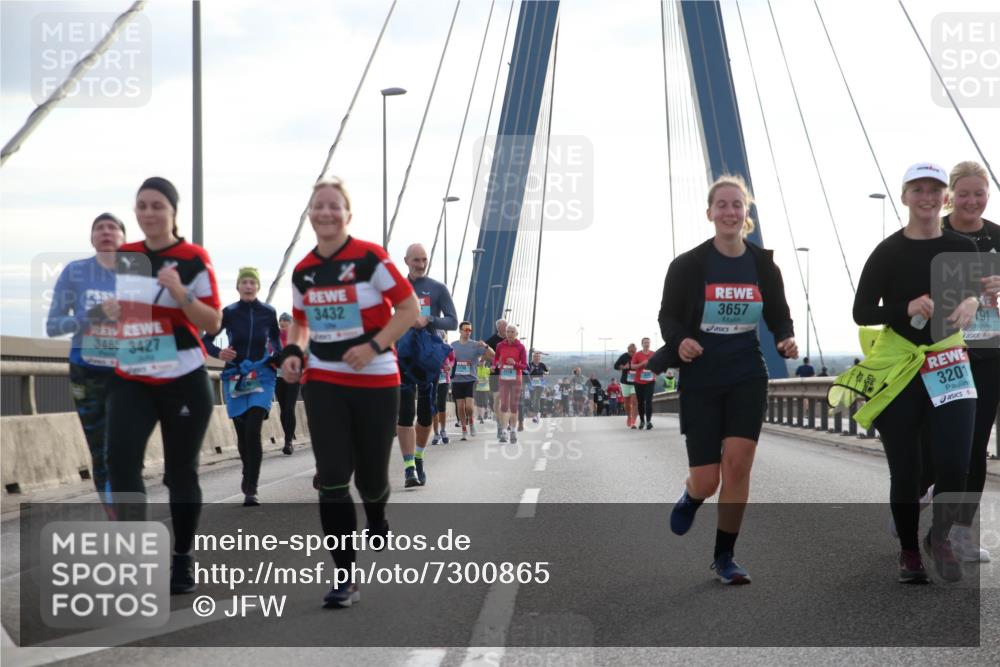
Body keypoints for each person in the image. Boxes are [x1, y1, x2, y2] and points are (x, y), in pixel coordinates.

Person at [834, 163, 979, 583]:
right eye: (918, 189)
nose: (927, 197)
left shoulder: (961, 248)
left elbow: (967, 297)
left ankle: (940, 536)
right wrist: (905, 308)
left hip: (949, 363)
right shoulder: (888, 252)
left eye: (934, 189)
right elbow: (862, 312)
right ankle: (910, 552)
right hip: (899, 368)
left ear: (944, 197)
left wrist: (972, 302)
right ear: (905, 197)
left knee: (956, 466)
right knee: (907, 470)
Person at [280, 177, 419, 608]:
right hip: (324, 381)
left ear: (348, 214)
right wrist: (293, 352)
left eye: (334, 206)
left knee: (372, 478)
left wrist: (374, 345)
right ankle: (345, 578)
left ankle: (376, 515)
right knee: (333, 478)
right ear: (309, 214)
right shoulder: (303, 270)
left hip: (377, 379)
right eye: (318, 206)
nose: (325, 213)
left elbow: (409, 309)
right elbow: (301, 322)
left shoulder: (370, 258)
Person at [661, 174, 798, 585]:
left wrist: (786, 337)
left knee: (738, 467)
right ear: (709, 213)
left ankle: (725, 557)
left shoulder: (762, 264)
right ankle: (692, 494)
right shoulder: (688, 265)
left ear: (746, 212)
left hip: (746, 373)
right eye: (721, 205)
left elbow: (779, 313)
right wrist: (682, 340)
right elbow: (668, 316)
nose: (730, 212)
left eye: (737, 205)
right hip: (702, 377)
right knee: (709, 478)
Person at [102, 177, 222, 595]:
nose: (149, 213)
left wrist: (181, 293)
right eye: (142, 206)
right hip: (132, 376)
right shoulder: (127, 257)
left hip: (182, 378)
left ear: (173, 212)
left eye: (157, 206)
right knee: (120, 465)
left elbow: (213, 322)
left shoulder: (192, 258)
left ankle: (183, 556)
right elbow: (115, 319)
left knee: (179, 473)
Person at [46, 212, 126, 508]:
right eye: (99, 228)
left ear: (123, 237)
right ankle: (115, 515)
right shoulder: (75, 272)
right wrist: (92, 316)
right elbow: (53, 326)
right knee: (101, 451)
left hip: (128, 372)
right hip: (87, 370)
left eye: (113, 227)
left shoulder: (138, 275)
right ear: (92, 238)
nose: (106, 231)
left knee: (126, 449)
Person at [942, 160, 1000, 562]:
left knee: (976, 445)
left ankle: (960, 535)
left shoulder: (998, 236)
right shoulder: (935, 233)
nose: (972, 201)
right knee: (940, 447)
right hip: (941, 354)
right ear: (950, 195)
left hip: (989, 352)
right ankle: (918, 500)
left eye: (979, 193)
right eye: (964, 193)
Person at [202, 267, 281, 506]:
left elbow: (276, 342)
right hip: (235, 375)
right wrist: (219, 353)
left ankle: (251, 487)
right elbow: (206, 340)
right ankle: (248, 471)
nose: (248, 286)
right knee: (242, 429)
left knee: (253, 428)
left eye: (252, 282)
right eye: (244, 282)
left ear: (258, 286)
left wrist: (277, 356)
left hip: (262, 373)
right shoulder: (229, 312)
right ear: (238, 287)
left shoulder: (268, 312)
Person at [396, 243, 457, 487]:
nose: (420, 265)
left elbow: (452, 321)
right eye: (416, 260)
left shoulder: (437, 288)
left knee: (424, 414)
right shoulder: (395, 288)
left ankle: (419, 457)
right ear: (406, 261)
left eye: (424, 260)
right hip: (401, 357)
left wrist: (428, 319)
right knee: (405, 413)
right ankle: (409, 466)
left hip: (428, 358)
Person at [451, 321, 494, 440]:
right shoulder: (453, 345)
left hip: (470, 380)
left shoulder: (475, 345)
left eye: (470, 330)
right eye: (465, 330)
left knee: (469, 407)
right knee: (460, 407)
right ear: (460, 331)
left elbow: (493, 355)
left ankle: (471, 423)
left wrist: (485, 346)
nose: (468, 332)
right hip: (457, 380)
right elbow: (447, 359)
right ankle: (464, 429)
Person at [493, 324, 528, 443]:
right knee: (503, 405)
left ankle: (513, 431)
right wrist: (496, 364)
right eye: (508, 331)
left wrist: (514, 363)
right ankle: (504, 431)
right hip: (503, 378)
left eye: (512, 332)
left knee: (513, 406)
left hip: (516, 379)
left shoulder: (521, 347)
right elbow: (496, 359)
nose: (510, 334)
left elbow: (524, 366)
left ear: (517, 334)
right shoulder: (500, 345)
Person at [274, 312, 299, 454]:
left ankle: (288, 442)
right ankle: (287, 437)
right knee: (284, 410)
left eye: (285, 322)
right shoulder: (273, 339)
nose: (282, 324)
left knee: (290, 408)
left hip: (294, 377)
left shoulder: (296, 338)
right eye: (280, 323)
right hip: (279, 376)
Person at [630, 338, 657, 429]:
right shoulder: (637, 355)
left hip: (650, 381)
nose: (647, 344)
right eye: (645, 343)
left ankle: (649, 421)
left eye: (648, 343)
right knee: (641, 402)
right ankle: (642, 421)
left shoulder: (653, 354)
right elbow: (632, 366)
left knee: (649, 401)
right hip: (639, 382)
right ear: (642, 344)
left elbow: (658, 365)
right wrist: (642, 364)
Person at [431, 346, 455, 445]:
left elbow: (453, 359)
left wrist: (450, 365)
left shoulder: (447, 347)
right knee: (433, 405)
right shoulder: (429, 344)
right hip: (431, 378)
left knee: (441, 405)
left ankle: (443, 431)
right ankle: (436, 433)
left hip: (444, 379)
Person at [485, 318, 508, 420]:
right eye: (504, 327)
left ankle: (504, 418)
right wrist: (495, 360)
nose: (506, 329)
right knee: (496, 396)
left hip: (508, 372)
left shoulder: (511, 339)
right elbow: (484, 355)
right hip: (495, 372)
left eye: (506, 326)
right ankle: (498, 416)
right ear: (498, 328)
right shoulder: (491, 340)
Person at [614, 343, 638, 428]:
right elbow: (615, 366)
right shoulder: (624, 356)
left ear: (636, 350)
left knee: (634, 402)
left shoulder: (638, 356)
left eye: (633, 351)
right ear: (628, 350)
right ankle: (629, 417)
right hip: (625, 383)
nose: (632, 353)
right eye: (630, 351)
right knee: (627, 404)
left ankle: (634, 422)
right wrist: (624, 367)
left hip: (636, 383)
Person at [527, 351, 549, 423]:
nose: (537, 358)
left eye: (538, 357)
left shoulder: (542, 364)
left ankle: (535, 415)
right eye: (535, 357)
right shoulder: (530, 364)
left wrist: (545, 373)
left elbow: (547, 371)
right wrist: (531, 370)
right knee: (533, 399)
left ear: (540, 358)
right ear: (533, 357)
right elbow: (526, 373)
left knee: (537, 398)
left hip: (540, 383)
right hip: (532, 383)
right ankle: (537, 413)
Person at [475, 358, 492, 423]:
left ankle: (486, 411)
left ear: (484, 362)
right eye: (480, 362)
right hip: (478, 389)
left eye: (482, 361)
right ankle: (481, 417)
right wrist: (476, 380)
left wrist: (487, 379)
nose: (481, 363)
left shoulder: (487, 369)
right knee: (479, 404)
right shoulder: (476, 370)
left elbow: (491, 378)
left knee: (484, 403)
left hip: (485, 389)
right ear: (478, 362)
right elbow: (474, 378)